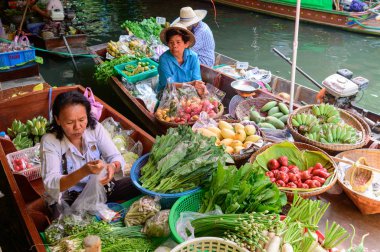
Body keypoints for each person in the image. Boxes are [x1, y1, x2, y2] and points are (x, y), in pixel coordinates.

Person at [40, 91, 140, 217]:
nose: (77, 127)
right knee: (61, 225)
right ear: (58, 120)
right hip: (69, 198)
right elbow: (51, 183)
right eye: (70, 123)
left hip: (100, 188)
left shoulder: (95, 128)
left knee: (138, 182)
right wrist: (84, 171)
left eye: (82, 119)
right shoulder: (50, 141)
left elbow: (115, 156)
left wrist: (113, 166)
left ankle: (99, 207)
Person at [157, 23, 206, 95]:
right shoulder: (164, 59)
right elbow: (167, 85)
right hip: (167, 93)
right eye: (171, 42)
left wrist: (201, 88)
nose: (174, 46)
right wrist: (190, 84)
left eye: (178, 42)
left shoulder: (193, 57)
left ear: (186, 44)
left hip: (188, 91)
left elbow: (197, 79)